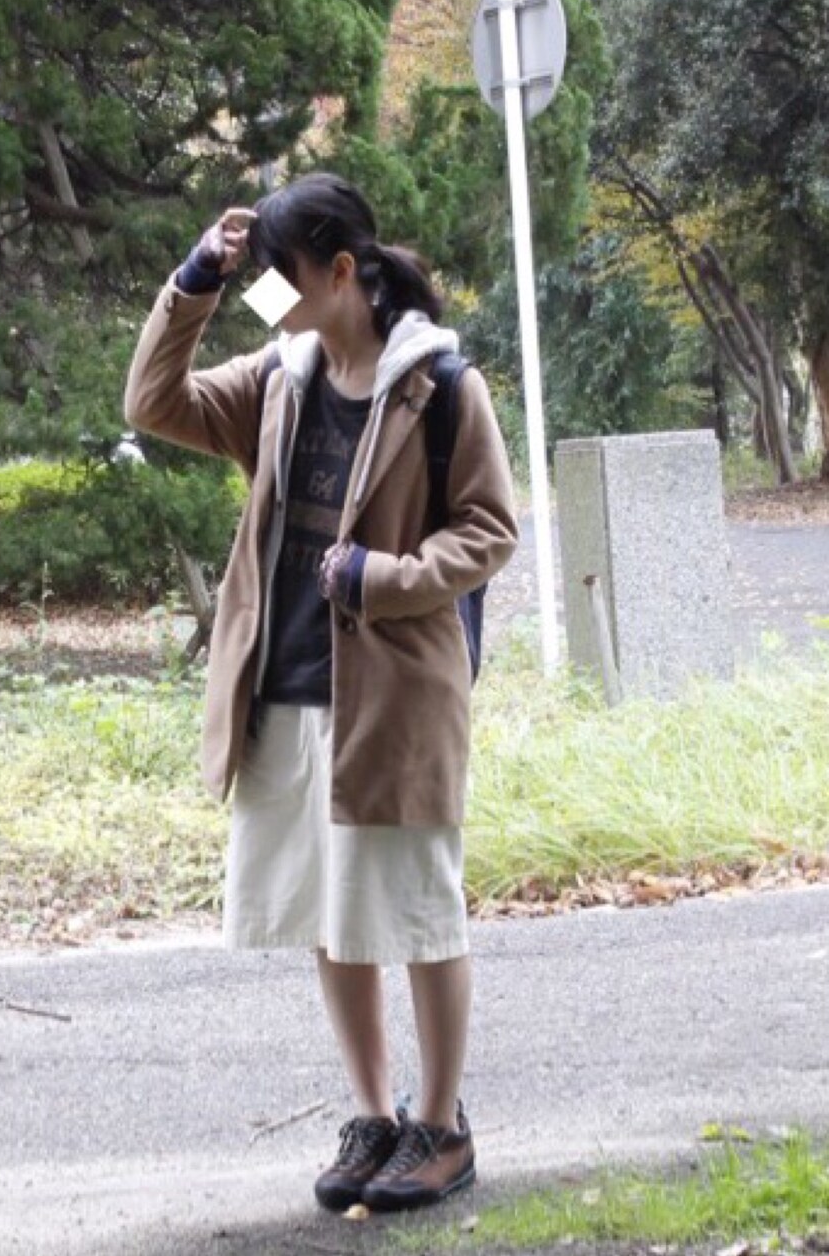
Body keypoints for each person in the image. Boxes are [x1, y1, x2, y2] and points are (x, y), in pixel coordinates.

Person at [124, 172, 518, 1214]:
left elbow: (489, 530)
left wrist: (381, 578)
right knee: (329, 915)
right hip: (286, 689)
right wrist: (199, 278)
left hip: (393, 697)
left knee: (419, 912)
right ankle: (375, 1115)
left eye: (281, 277)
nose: (269, 297)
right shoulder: (279, 378)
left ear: (342, 271)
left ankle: (441, 1125)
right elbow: (153, 401)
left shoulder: (440, 387)